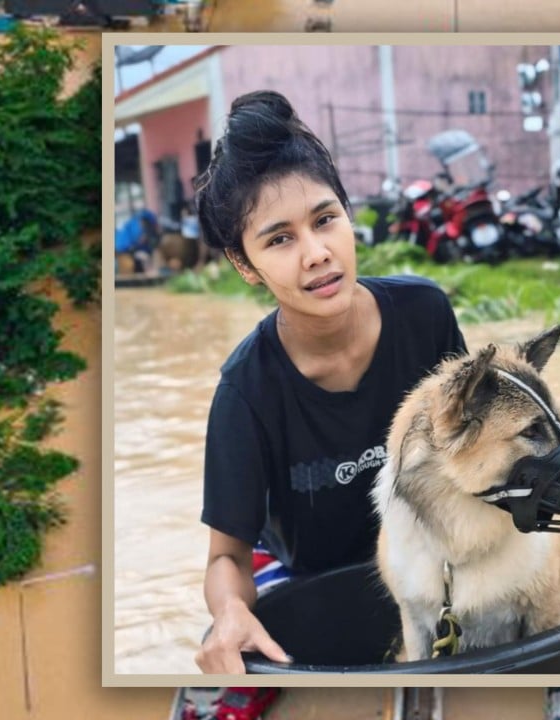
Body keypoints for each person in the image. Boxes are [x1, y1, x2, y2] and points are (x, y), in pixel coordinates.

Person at [192, 91, 467, 674]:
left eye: (325, 220)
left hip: (430, 551)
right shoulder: (246, 392)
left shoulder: (424, 315)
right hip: (311, 576)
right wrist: (230, 611)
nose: (317, 254)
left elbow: (475, 445)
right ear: (244, 264)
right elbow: (226, 558)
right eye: (279, 239)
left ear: (347, 213)